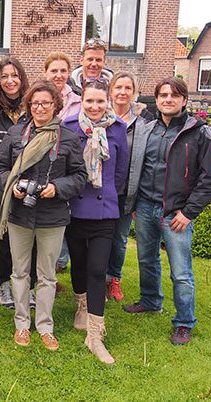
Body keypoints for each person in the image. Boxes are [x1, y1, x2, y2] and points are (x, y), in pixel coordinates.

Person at [123, 77, 211, 346]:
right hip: (145, 206)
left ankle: (184, 322)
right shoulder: (148, 129)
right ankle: (151, 300)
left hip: (176, 214)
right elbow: (137, 167)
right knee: (146, 259)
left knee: (180, 271)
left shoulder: (200, 133)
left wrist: (188, 213)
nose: (168, 99)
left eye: (174, 95)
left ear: (184, 100)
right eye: (163, 95)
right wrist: (134, 202)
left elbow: (210, 180)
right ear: (156, 100)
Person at [0, 80, 86, 350]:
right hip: (19, 214)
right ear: (28, 105)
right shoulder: (15, 133)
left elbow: (80, 176)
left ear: (56, 105)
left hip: (53, 216)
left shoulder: (68, 138)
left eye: (46, 102)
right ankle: (22, 324)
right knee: (19, 271)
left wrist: (58, 188)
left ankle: (45, 326)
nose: (40, 107)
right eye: (35, 103)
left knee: (47, 275)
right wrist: (14, 187)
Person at [63, 79, 129, 364]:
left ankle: (95, 335)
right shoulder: (68, 126)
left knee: (97, 268)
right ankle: (80, 304)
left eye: (100, 101)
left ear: (108, 102)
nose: (94, 106)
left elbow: (121, 171)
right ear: (82, 101)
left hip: (105, 210)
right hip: (76, 208)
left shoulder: (118, 129)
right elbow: (63, 164)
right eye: (89, 101)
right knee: (78, 262)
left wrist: (108, 192)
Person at [0, 57, 36, 310]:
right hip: (2, 182)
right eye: (4, 76)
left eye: (15, 75)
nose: (10, 81)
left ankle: (28, 285)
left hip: (32, 181)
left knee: (32, 233)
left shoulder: (32, 107)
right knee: (5, 231)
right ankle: (4, 282)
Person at [105, 72, 155, 301]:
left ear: (134, 92)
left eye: (128, 88)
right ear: (111, 90)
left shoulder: (144, 121)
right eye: (119, 87)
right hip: (101, 190)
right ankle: (94, 278)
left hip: (127, 191)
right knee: (97, 237)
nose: (123, 92)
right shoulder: (100, 115)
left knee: (119, 239)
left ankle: (114, 278)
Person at [43, 52, 82, 275]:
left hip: (68, 164)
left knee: (65, 219)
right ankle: (49, 268)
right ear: (46, 72)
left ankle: (60, 262)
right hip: (44, 166)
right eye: (54, 70)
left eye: (63, 71)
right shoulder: (37, 97)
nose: (59, 75)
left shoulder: (78, 101)